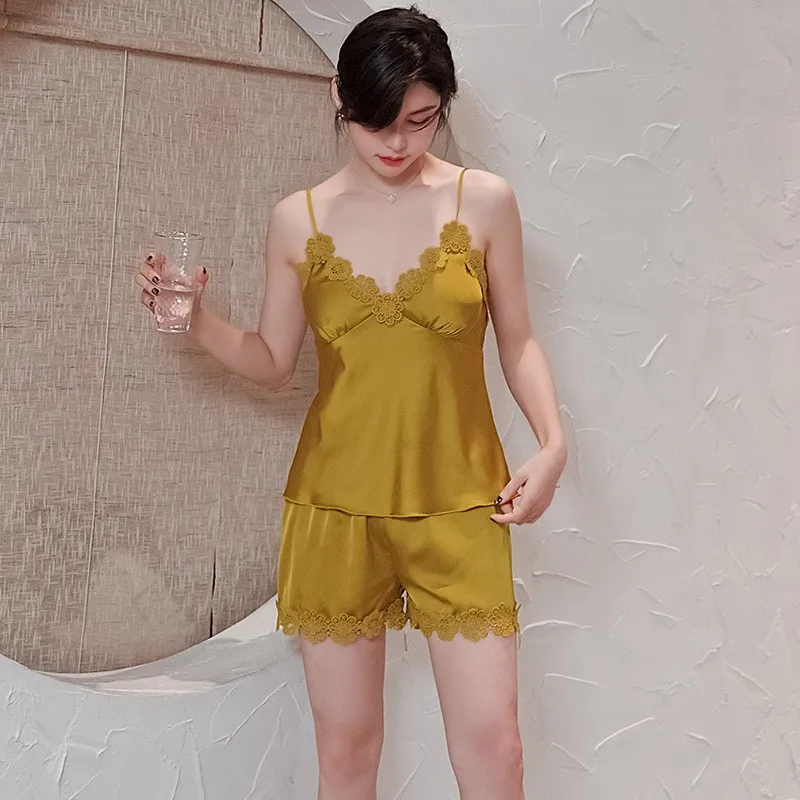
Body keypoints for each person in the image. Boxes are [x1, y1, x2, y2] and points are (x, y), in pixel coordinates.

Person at [136, 6, 566, 799]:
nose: (396, 143)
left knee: (495, 748)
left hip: (462, 504)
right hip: (334, 510)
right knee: (346, 752)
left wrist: (552, 445)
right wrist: (194, 318)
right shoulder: (296, 219)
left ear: (442, 107)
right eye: (376, 122)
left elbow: (519, 342)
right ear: (339, 94)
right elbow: (273, 361)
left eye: (419, 121)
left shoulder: (485, 202)